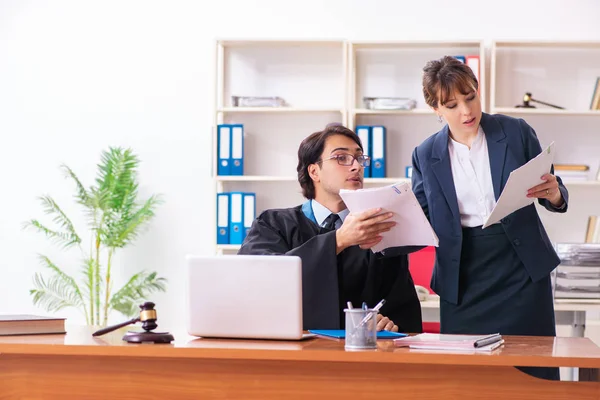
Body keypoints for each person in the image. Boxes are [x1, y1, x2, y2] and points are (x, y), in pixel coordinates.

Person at [411, 56, 568, 380]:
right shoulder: (426, 154)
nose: (466, 111)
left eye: (470, 97)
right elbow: (422, 215)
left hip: (521, 268)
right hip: (463, 274)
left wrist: (553, 193)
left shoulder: (515, 132)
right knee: (467, 378)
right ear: (436, 109)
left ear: (478, 90)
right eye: (452, 105)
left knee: (533, 372)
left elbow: (553, 189)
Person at [239, 124, 423, 333]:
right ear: (314, 171)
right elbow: (258, 278)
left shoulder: (376, 231)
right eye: (341, 158)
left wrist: (388, 324)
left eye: (359, 158)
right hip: (291, 350)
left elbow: (400, 307)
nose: (356, 167)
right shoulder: (273, 224)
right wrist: (338, 240)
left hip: (360, 355)